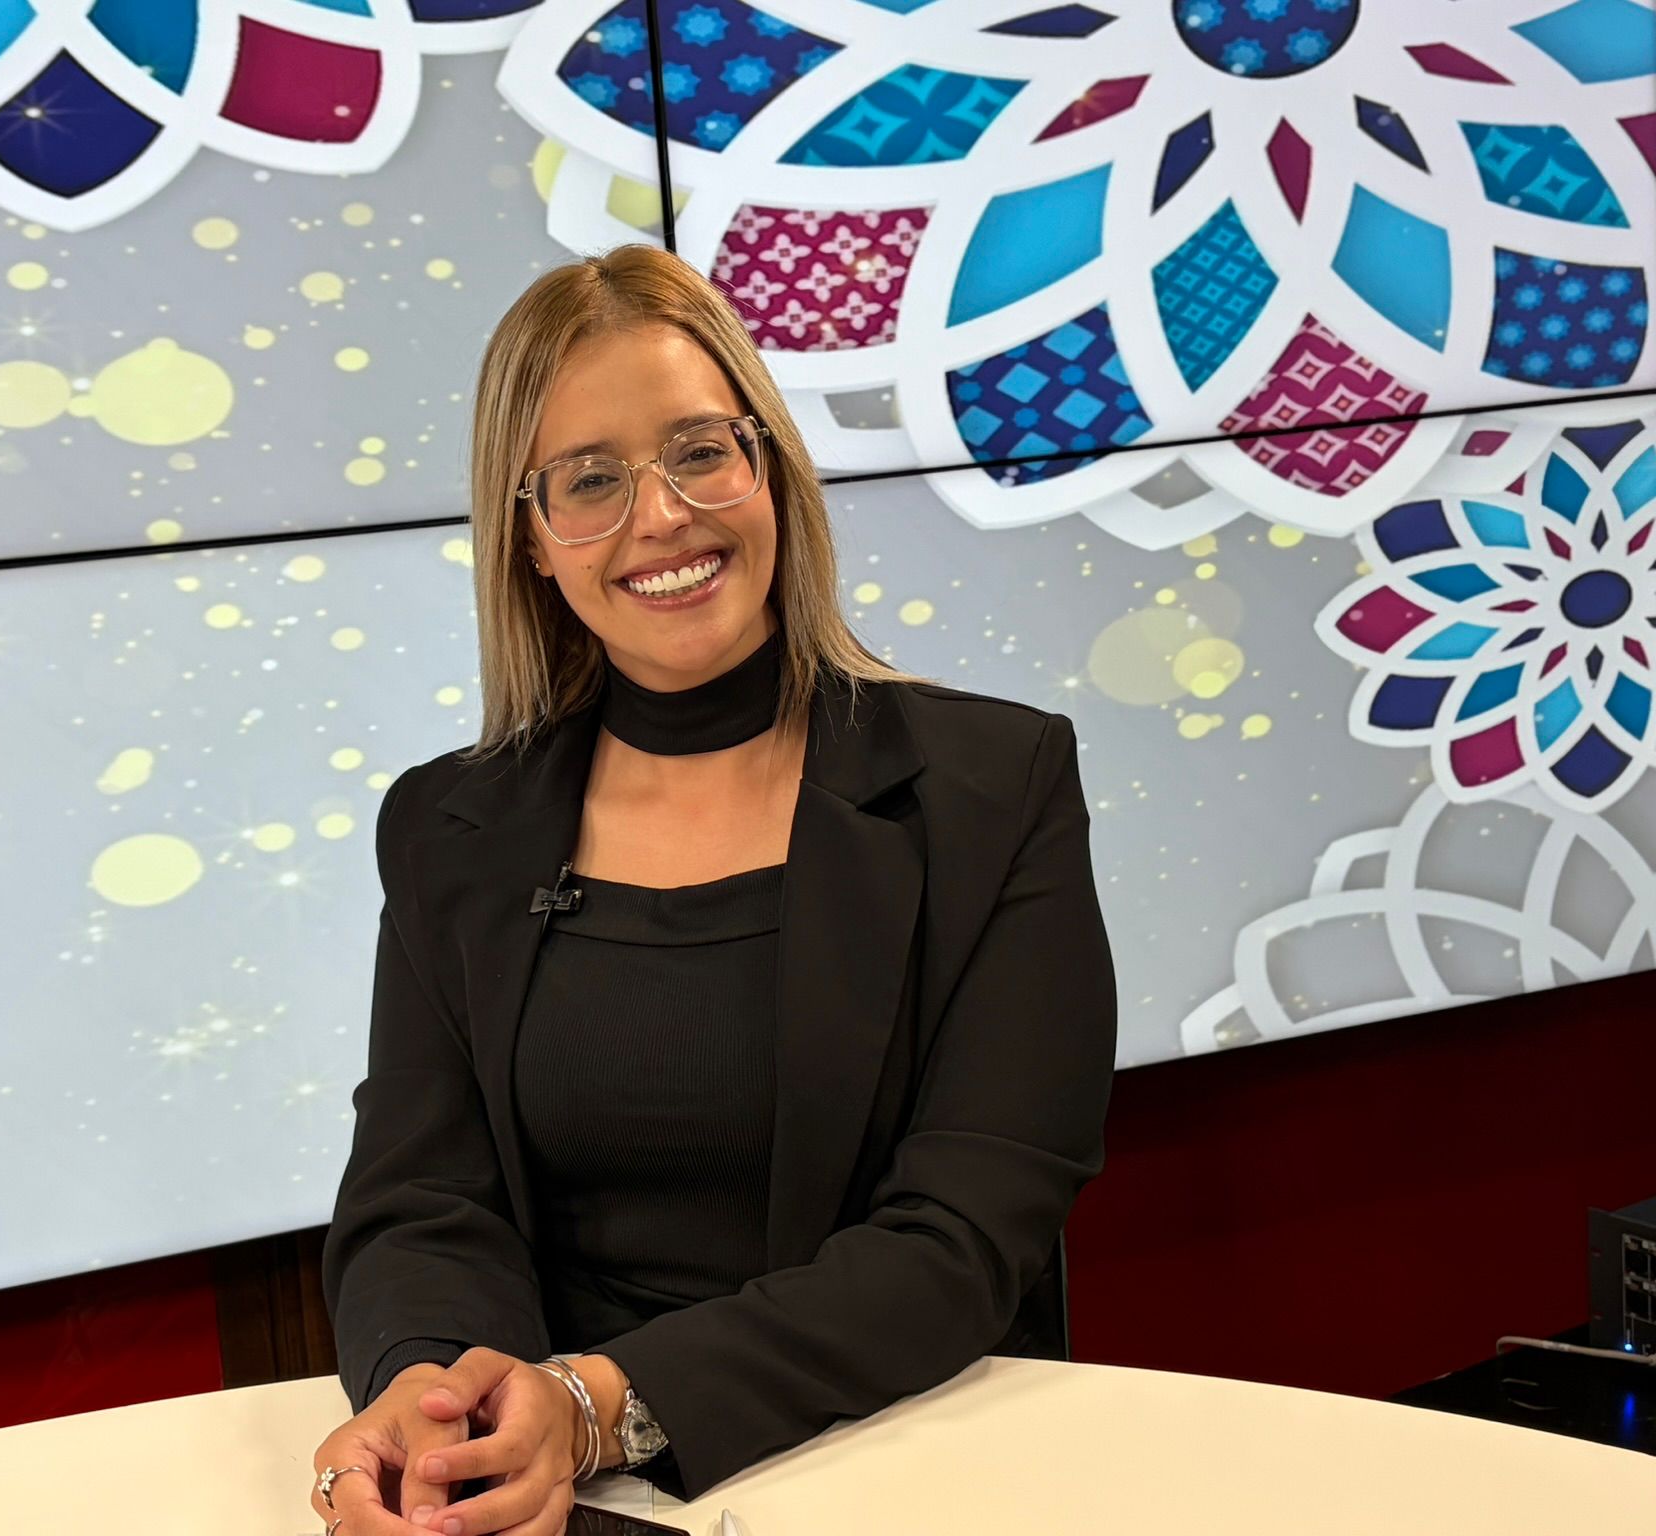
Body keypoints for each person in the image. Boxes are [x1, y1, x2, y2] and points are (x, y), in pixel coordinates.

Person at [309, 244, 1117, 1536]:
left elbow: (966, 1233)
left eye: (699, 451)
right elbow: (421, 1199)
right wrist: (438, 1402)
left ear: (770, 469)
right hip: (560, 1500)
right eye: (591, 480)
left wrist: (601, 1404)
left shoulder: (993, 787)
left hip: (906, 1463)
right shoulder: (450, 829)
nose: (663, 517)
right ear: (532, 542)